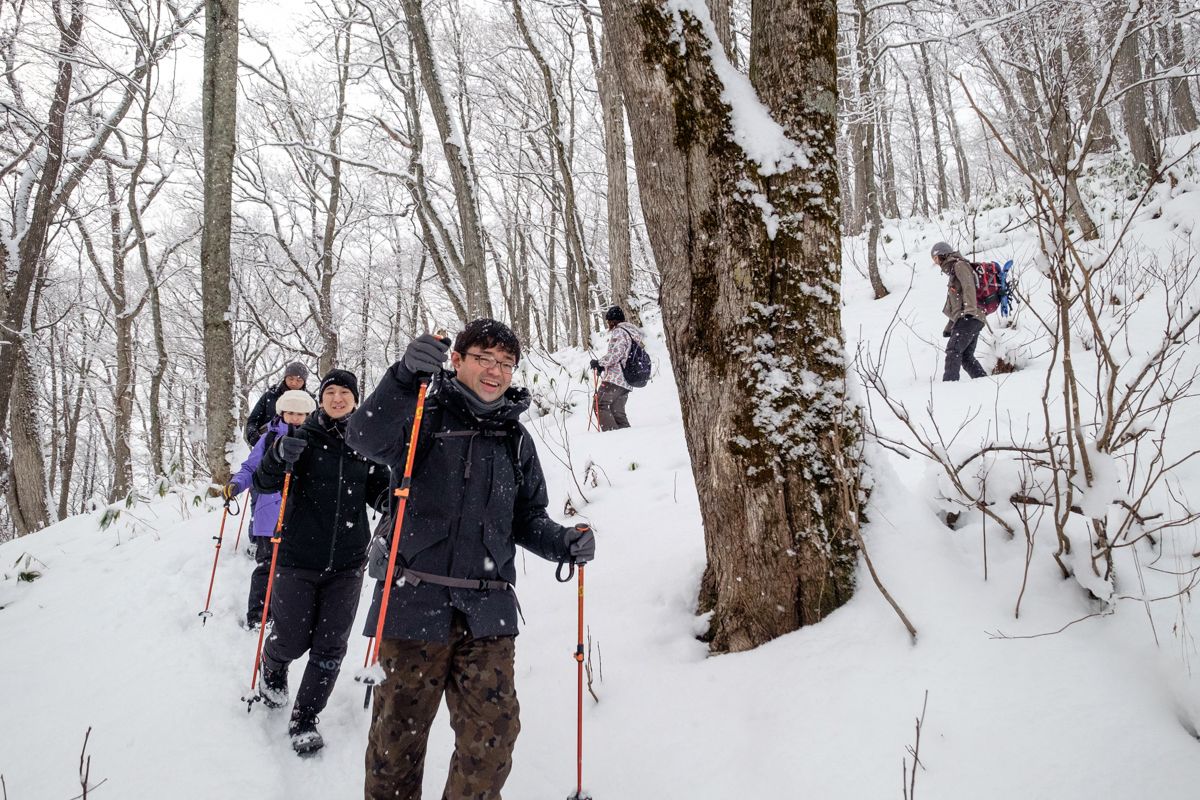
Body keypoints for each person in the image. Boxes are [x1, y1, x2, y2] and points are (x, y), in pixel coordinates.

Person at [347, 319, 596, 800]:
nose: (495, 371)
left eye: (505, 363)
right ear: (456, 361)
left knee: (493, 740)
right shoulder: (423, 415)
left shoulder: (516, 439)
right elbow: (364, 438)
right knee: (395, 747)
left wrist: (563, 541)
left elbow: (526, 518)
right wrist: (402, 377)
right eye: (484, 358)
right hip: (413, 605)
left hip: (488, 615)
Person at [252, 369, 390, 756]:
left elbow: (379, 490)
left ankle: (305, 720)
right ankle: (273, 664)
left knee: (331, 647)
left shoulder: (365, 444)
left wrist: (392, 499)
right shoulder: (301, 437)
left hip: (347, 563)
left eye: (344, 392)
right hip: (298, 558)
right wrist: (278, 456)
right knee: (293, 639)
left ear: (354, 398)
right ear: (321, 398)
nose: (337, 398)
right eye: (330, 391)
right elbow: (264, 483)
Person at [223, 389, 316, 629]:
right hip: (269, 513)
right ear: (282, 413)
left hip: (302, 517)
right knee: (266, 568)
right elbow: (250, 467)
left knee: (294, 571)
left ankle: (286, 616)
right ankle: (258, 616)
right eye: (291, 413)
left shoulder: (316, 440)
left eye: (301, 414)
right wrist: (236, 485)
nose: (295, 418)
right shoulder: (268, 439)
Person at [932, 241, 988, 382]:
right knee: (965, 357)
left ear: (942, 255)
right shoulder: (953, 271)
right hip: (972, 317)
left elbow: (969, 287)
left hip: (970, 316)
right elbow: (956, 305)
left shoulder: (959, 265)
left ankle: (949, 388)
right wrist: (950, 327)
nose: (935, 262)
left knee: (953, 351)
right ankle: (984, 383)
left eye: (935, 258)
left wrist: (969, 311)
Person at [588, 305, 645, 430]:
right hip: (627, 380)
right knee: (617, 412)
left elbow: (616, 354)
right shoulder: (631, 332)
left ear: (613, 320)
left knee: (600, 404)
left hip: (616, 379)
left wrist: (600, 363)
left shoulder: (619, 331)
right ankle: (628, 442)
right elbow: (623, 355)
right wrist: (604, 367)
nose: (608, 324)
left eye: (608, 321)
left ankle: (612, 438)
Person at [245, 361, 311, 446]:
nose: (294, 383)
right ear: (285, 378)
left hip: (300, 449)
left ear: (304, 382)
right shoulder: (270, 396)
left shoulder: (310, 401)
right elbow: (253, 420)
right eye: (291, 378)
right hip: (267, 446)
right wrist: (254, 437)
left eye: (299, 380)